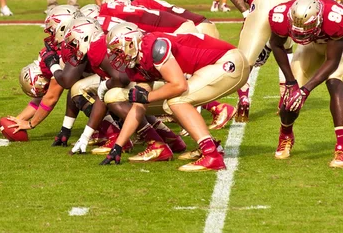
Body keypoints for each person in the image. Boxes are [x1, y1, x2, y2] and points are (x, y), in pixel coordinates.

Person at [100, 23, 250, 171]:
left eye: (118, 51)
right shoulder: (138, 63)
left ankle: (211, 155)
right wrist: (118, 146)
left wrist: (148, 96)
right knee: (170, 103)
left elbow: (179, 85)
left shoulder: (154, 47)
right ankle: (212, 146)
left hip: (228, 62)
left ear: (131, 43)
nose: (117, 57)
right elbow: (138, 106)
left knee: (177, 100)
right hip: (217, 65)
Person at [268, 0, 343, 166]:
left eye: (307, 27)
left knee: (335, 84)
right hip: (310, 47)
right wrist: (290, 82)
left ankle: (341, 147)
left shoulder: (335, 18)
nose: (301, 31)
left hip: (335, 48)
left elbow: (332, 61)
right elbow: (276, 45)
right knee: (290, 96)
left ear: (319, 19)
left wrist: (306, 90)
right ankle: (285, 135)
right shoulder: (279, 15)